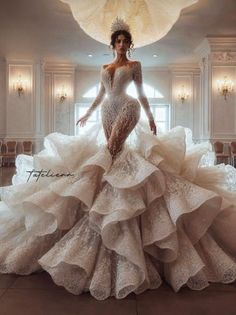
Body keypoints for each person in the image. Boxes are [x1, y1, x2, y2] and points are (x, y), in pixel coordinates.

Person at [0, 18, 236, 301]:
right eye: (118, 42)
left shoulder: (134, 66)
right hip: (106, 110)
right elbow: (101, 94)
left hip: (128, 107)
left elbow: (141, 92)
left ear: (129, 45)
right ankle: (109, 196)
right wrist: (88, 113)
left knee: (111, 148)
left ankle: (114, 207)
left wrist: (149, 117)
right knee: (111, 157)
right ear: (112, 45)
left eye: (126, 42)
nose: (122, 45)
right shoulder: (104, 68)